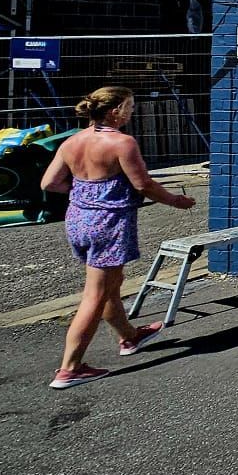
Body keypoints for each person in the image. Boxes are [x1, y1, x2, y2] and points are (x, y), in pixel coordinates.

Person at [40, 86, 195, 388]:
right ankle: (70, 369)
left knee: (110, 284)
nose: (132, 111)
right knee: (95, 296)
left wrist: (86, 193)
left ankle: (129, 337)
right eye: (130, 106)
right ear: (115, 112)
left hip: (78, 220)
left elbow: (50, 183)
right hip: (108, 224)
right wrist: (176, 201)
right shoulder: (122, 143)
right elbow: (143, 185)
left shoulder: (72, 141)